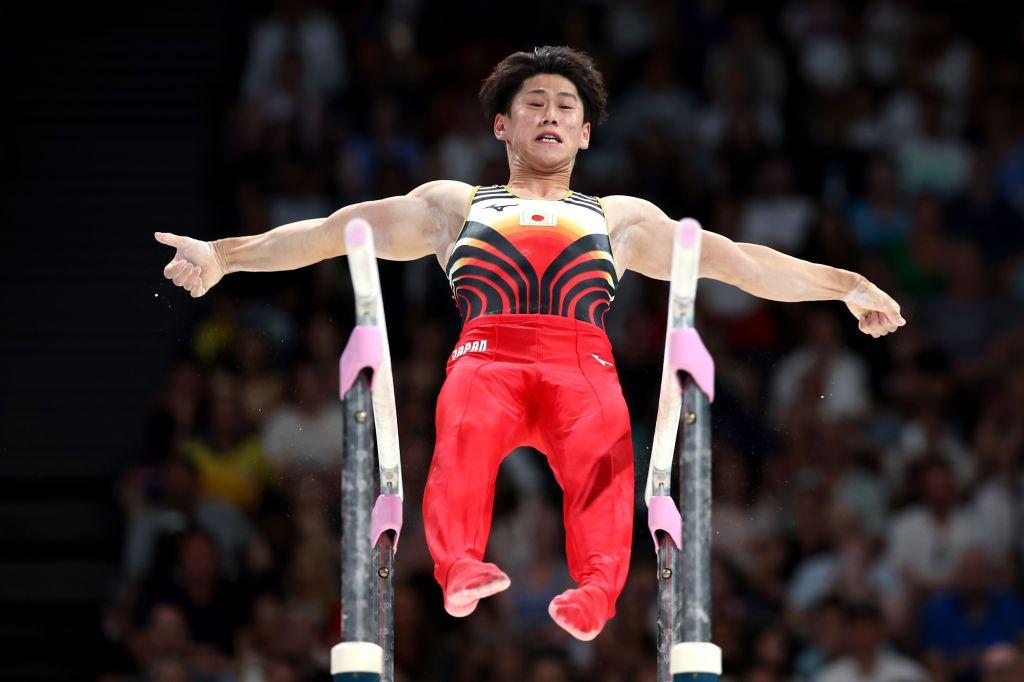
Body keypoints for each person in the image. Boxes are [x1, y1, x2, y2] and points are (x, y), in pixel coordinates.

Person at [155, 46, 905, 641]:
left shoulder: (620, 217)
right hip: (488, 360)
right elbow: (329, 234)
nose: (549, 114)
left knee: (607, 470)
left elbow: (741, 261)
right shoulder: (455, 206)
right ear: (502, 128)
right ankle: (458, 568)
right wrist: (225, 255)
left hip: (584, 368)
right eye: (533, 104)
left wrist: (845, 285)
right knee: (463, 440)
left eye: (565, 106)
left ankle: (597, 592)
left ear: (585, 133)